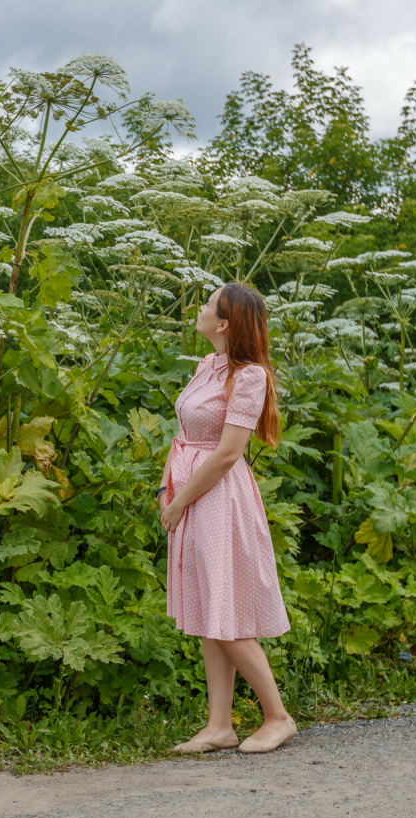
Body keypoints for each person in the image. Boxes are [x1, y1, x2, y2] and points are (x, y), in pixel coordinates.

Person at [156, 281, 296, 754]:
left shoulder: (249, 376)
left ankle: (277, 717)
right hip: (190, 493)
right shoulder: (207, 366)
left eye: (208, 304)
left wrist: (180, 502)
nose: (198, 307)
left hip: (218, 497)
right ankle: (220, 725)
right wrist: (165, 488)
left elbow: (227, 453)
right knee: (207, 610)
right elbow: (182, 436)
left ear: (224, 324)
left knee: (226, 612)